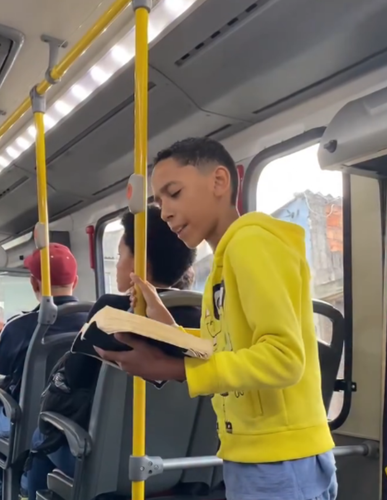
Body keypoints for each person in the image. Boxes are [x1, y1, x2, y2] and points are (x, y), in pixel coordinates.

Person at [95, 138, 337, 500]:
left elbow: (284, 359)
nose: (165, 213)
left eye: (173, 194)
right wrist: (172, 333)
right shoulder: (226, 263)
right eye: (159, 203)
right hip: (254, 452)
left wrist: (172, 367)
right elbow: (234, 347)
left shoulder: (251, 244)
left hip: (281, 460)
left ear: (219, 182)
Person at [22, 206, 199, 499]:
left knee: (43, 437)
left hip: (111, 465)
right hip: (187, 466)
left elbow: (73, 378)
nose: (117, 265)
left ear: (138, 263)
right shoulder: (203, 318)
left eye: (119, 256)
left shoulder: (114, 309)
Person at [0, 243, 88, 437]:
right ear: (75, 282)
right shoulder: (95, 322)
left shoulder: (18, 327)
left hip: (24, 420)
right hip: (80, 418)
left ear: (34, 283)